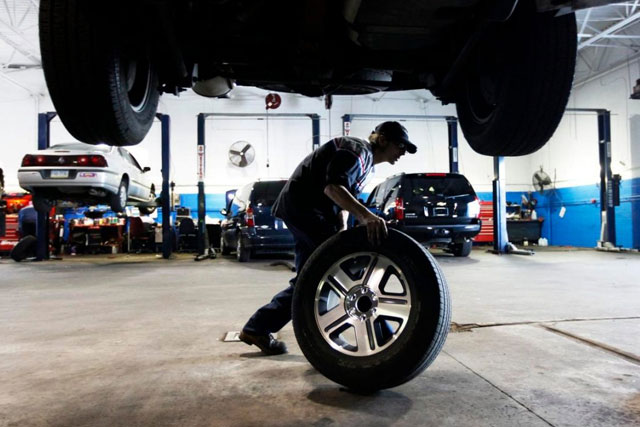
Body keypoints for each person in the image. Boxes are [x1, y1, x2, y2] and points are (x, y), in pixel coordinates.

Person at [239, 121, 417, 355]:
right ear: (382, 140)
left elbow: (342, 199)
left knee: (310, 278)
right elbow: (333, 189)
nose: (402, 152)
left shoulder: (365, 164)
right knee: (331, 272)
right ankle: (383, 338)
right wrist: (366, 216)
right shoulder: (356, 150)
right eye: (400, 145)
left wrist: (341, 231)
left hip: (309, 212)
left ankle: (259, 328)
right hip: (305, 210)